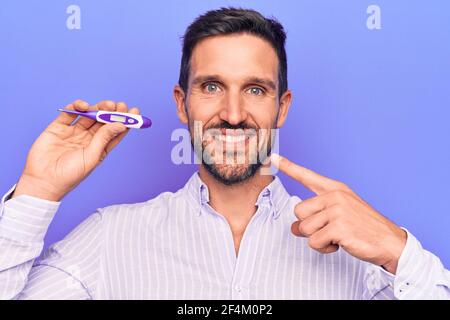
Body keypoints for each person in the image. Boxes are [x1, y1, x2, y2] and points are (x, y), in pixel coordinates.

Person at [0, 7, 448, 300]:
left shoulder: (358, 252)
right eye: (212, 87)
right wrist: (38, 190)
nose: (233, 114)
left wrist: (397, 249)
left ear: (282, 107)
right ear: (182, 103)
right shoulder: (109, 238)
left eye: (255, 89)